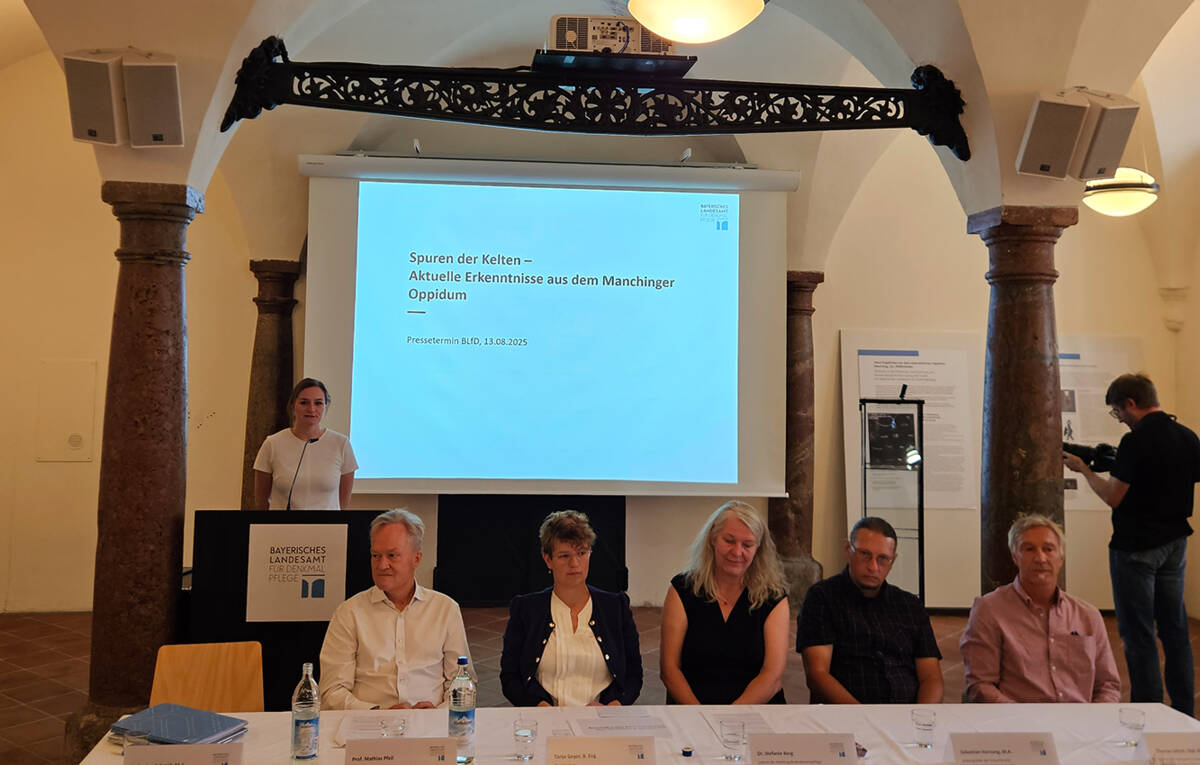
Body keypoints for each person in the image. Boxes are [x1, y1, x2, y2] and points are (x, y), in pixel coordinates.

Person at [1063, 373, 1199, 715]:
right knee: (1175, 629)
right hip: (1175, 544)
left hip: (1136, 547)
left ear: (1131, 403)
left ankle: (1147, 711)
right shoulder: (1187, 436)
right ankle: (1183, 711)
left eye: (1117, 411)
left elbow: (1114, 496)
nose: (1119, 418)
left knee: (1138, 634)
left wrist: (1084, 470)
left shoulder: (1135, 442)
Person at [319, 509, 472, 709]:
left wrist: (437, 713)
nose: (382, 565)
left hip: (432, 722)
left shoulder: (445, 609)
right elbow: (332, 691)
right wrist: (377, 714)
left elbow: (463, 683)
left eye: (392, 555)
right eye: (376, 555)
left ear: (416, 559)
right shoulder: (349, 613)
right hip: (368, 723)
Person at [960, 515, 1120, 703]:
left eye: (1048, 549)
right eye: (1029, 549)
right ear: (1015, 557)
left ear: (1061, 558)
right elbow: (981, 685)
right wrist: (1025, 718)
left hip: (1081, 719)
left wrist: (1092, 717)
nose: (1040, 558)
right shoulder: (989, 610)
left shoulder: (1088, 615)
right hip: (1017, 718)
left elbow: (1108, 685)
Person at [500, 510, 642, 706]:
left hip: (602, 717)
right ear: (548, 559)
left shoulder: (616, 607)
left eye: (582, 553)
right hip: (545, 717)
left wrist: (613, 707)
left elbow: (634, 674)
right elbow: (510, 677)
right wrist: (539, 706)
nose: (575, 563)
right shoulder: (526, 609)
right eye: (564, 556)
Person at [797, 516, 943, 704]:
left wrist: (921, 715)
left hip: (906, 715)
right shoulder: (822, 598)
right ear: (847, 550)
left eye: (883, 558)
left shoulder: (910, 605)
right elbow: (817, 675)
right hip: (847, 714)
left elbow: (931, 677)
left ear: (893, 561)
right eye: (864, 554)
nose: (873, 566)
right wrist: (863, 715)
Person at [660, 501, 789, 704]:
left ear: (758, 548)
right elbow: (669, 670)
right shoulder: (682, 589)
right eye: (729, 541)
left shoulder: (773, 597)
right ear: (713, 539)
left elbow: (772, 676)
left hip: (754, 708)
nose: (737, 552)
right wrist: (699, 714)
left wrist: (729, 716)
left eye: (747, 545)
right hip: (692, 708)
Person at [253, 377, 357, 510]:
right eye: (304, 403)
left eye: (318, 403)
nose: (311, 409)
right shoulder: (272, 444)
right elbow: (261, 502)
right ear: (293, 405)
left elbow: (343, 503)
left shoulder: (341, 444)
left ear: (325, 406)